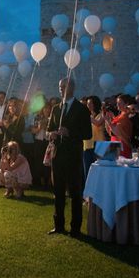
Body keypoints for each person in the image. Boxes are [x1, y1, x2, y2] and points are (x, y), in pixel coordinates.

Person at [47, 77, 92, 237]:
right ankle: (58, 225)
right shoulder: (56, 108)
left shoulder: (81, 109)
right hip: (57, 155)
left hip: (73, 156)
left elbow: (87, 133)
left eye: (64, 86)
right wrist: (51, 134)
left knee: (74, 193)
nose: (61, 89)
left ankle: (75, 228)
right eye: (60, 86)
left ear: (72, 87)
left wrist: (70, 133)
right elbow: (49, 129)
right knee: (58, 192)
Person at [103, 93, 134, 158]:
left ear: (126, 104)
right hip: (115, 144)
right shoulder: (120, 115)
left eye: (119, 103)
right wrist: (108, 119)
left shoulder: (126, 116)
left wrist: (108, 121)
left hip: (123, 146)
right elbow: (110, 133)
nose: (117, 105)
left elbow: (117, 132)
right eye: (117, 103)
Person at [83, 96, 105, 177]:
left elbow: (98, 123)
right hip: (87, 145)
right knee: (88, 171)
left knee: (98, 170)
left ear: (95, 103)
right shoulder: (88, 115)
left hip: (98, 145)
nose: (89, 105)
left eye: (91, 103)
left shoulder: (102, 114)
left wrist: (87, 116)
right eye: (88, 104)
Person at [32, 102, 52, 188]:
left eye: (48, 108)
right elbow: (33, 130)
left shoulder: (52, 118)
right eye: (45, 108)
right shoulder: (38, 117)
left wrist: (47, 126)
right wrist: (40, 127)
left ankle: (48, 181)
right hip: (39, 141)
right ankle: (39, 181)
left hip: (48, 142)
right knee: (38, 161)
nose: (46, 110)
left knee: (47, 162)